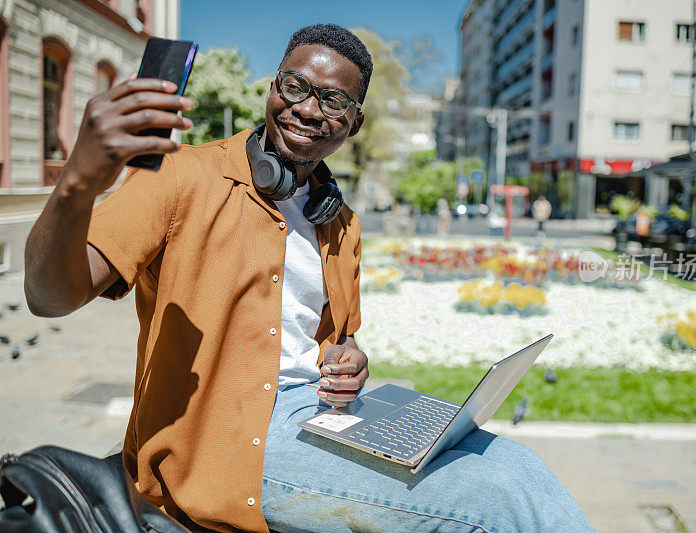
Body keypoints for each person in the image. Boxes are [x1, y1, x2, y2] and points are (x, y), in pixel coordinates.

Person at [24, 24, 591, 532]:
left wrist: (349, 363)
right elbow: (48, 296)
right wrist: (79, 179)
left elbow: (332, 341)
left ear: (354, 122)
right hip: (230, 448)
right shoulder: (181, 177)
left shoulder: (340, 222)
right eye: (294, 87)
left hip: (324, 421)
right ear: (273, 89)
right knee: (496, 497)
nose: (307, 109)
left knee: (515, 463)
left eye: (333, 100)